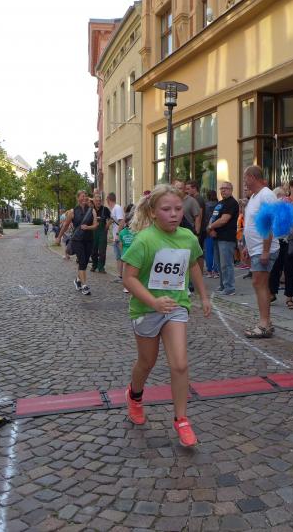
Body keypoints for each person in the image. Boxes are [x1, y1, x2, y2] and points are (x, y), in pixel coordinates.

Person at [121, 184, 211, 447]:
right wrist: (153, 301)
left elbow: (193, 265)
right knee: (146, 362)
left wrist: (204, 296)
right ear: (153, 212)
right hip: (146, 309)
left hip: (175, 305)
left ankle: (181, 419)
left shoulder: (188, 237)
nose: (174, 214)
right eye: (166, 209)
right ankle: (134, 395)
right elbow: (128, 278)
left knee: (180, 364)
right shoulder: (144, 240)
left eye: (178, 209)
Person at [241, 166, 279, 338]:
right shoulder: (255, 196)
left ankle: (264, 324)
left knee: (260, 284)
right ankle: (266, 322)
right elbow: (251, 224)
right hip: (255, 248)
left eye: (245, 178)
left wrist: (265, 250)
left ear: (252, 177)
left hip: (263, 249)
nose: (244, 181)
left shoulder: (266, 195)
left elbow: (269, 225)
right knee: (259, 284)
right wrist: (246, 247)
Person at [269, 177, 293, 309]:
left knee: (290, 269)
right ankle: (272, 293)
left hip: (292, 240)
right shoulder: (281, 201)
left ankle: (289, 297)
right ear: (291, 187)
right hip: (278, 239)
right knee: (275, 267)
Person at [57, 191, 98, 295]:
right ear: (78, 198)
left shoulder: (92, 210)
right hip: (77, 240)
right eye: (82, 196)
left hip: (89, 240)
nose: (84, 198)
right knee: (82, 261)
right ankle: (84, 286)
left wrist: (88, 227)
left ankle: (78, 280)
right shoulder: (73, 211)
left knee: (85, 262)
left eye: (85, 196)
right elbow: (65, 225)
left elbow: (95, 225)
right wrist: (59, 237)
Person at [207, 181, 239, 295]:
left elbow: (224, 220)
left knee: (226, 264)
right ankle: (223, 285)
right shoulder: (220, 203)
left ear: (231, 190)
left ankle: (229, 288)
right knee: (219, 264)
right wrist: (211, 229)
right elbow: (213, 217)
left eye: (226, 188)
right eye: (221, 188)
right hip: (216, 236)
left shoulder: (232, 203)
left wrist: (210, 227)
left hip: (227, 238)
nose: (223, 190)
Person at [90, 193, 112, 273]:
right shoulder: (91, 210)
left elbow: (111, 219)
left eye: (99, 201)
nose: (98, 202)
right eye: (96, 201)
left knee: (102, 251)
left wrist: (107, 225)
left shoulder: (105, 209)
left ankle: (101, 267)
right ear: (94, 201)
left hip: (102, 232)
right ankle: (94, 265)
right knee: (93, 251)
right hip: (93, 232)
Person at [107, 192, 125, 281]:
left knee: (122, 256)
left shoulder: (117, 208)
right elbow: (113, 220)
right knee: (118, 257)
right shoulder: (114, 209)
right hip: (116, 237)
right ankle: (120, 276)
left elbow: (121, 221)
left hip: (119, 237)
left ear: (108, 200)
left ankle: (123, 276)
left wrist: (118, 234)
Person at [118, 207, 136, 294]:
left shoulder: (135, 232)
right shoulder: (122, 232)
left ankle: (132, 286)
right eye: (129, 222)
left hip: (133, 253)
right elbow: (120, 244)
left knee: (133, 271)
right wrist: (122, 253)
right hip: (125, 253)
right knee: (125, 271)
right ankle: (126, 286)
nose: (130, 223)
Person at [203, 189, 219, 278]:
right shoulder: (219, 205)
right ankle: (215, 271)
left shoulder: (205, 205)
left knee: (208, 252)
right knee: (216, 251)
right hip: (217, 230)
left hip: (207, 231)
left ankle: (209, 271)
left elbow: (204, 219)